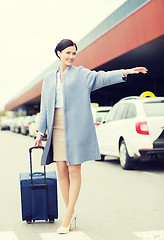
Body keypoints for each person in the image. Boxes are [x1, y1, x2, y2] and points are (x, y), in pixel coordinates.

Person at [35, 39, 148, 234]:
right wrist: (40, 131)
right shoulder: (49, 78)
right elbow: (45, 108)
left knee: (74, 170)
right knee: (61, 170)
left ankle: (68, 216)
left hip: (76, 128)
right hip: (57, 127)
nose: (71, 56)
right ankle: (72, 211)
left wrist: (125, 72)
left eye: (74, 53)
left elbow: (102, 77)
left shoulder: (81, 74)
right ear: (59, 53)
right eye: (68, 52)